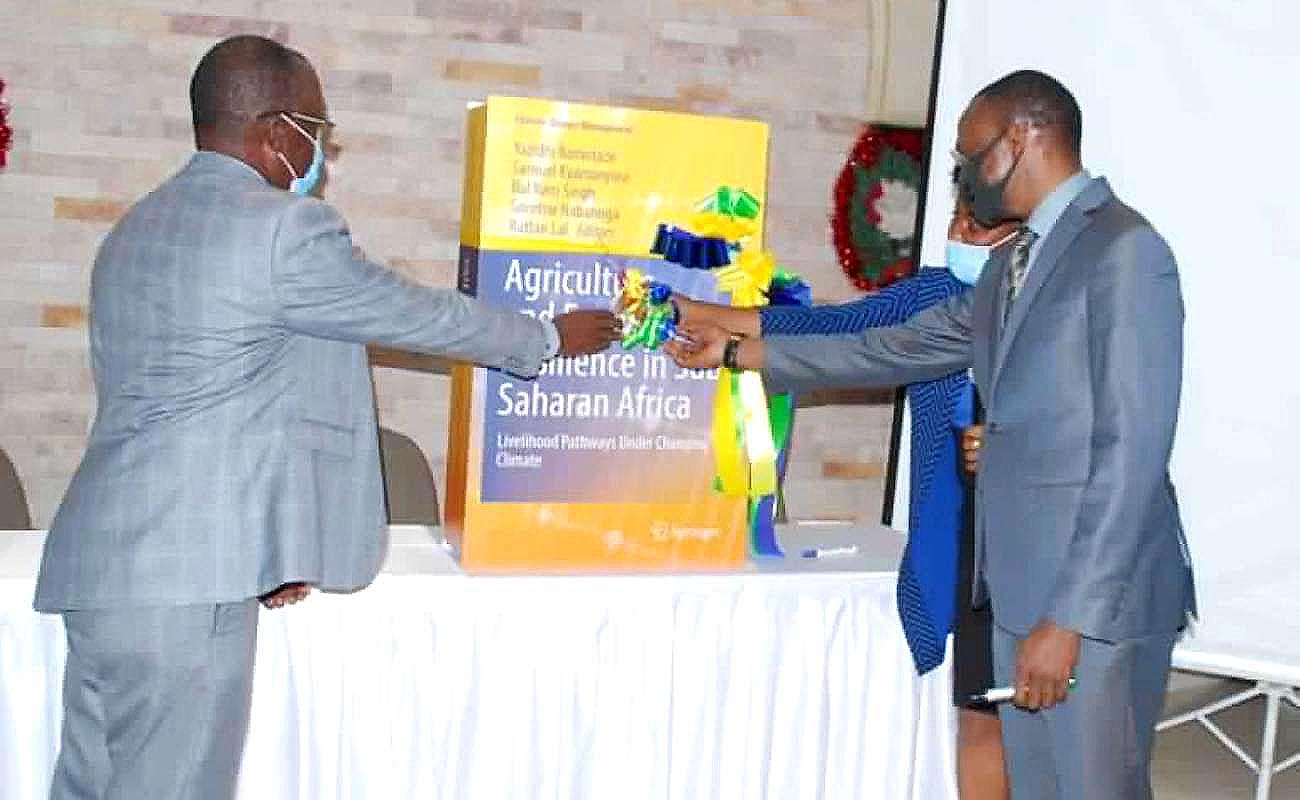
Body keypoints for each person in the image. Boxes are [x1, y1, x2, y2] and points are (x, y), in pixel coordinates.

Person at [34, 35, 619, 799]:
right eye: (318, 129)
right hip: (188, 586)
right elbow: (415, 314)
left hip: (100, 569)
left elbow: (217, 407)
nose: (322, 154)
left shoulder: (131, 232)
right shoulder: (282, 229)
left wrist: (271, 549)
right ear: (278, 134)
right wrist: (545, 337)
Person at [668, 70, 1196, 800]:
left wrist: (1068, 620)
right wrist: (735, 352)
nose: (963, 177)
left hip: (1091, 608)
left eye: (970, 156)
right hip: (1019, 598)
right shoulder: (1017, 262)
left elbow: (1131, 457)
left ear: (1020, 140)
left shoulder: (1123, 251)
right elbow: (886, 348)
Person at [674, 192, 1015, 800]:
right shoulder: (934, 293)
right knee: (979, 714)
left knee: (1036, 725)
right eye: (956, 219)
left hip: (1025, 535)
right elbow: (839, 331)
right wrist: (714, 316)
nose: (961, 233)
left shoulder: (1043, 305)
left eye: (980, 225)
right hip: (954, 532)